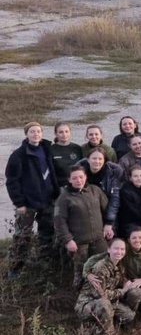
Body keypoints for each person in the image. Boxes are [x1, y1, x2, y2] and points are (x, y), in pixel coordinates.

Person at [5, 122, 61, 277]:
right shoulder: (19, 155)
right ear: (26, 134)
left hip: (47, 200)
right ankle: (16, 268)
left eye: (38, 131)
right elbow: (12, 180)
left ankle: (44, 262)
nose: (36, 134)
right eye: (32, 131)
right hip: (28, 203)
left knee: (46, 232)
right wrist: (19, 203)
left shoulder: (46, 149)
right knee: (23, 235)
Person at [83, 226, 141, 321]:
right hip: (130, 285)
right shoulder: (122, 249)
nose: (137, 240)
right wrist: (87, 274)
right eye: (134, 238)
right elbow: (92, 260)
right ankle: (130, 315)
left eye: (140, 238)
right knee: (135, 293)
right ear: (129, 240)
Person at [55, 165, 112, 287]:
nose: (78, 180)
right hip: (79, 242)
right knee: (80, 271)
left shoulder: (95, 190)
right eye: (74, 178)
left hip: (99, 238)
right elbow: (59, 221)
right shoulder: (64, 197)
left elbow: (108, 210)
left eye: (81, 177)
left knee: (103, 265)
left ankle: (103, 289)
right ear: (69, 180)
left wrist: (109, 225)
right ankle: (79, 294)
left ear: (85, 177)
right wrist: (68, 240)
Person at [75, 238, 136, 335]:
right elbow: (101, 294)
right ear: (109, 250)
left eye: (122, 249)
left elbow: (121, 281)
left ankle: (104, 323)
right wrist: (123, 291)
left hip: (108, 302)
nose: (119, 252)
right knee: (104, 303)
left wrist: (130, 284)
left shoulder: (119, 265)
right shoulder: (100, 268)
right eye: (116, 248)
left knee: (129, 316)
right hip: (89, 304)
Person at [78, 148, 123, 239]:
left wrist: (109, 223)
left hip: (106, 211)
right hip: (84, 213)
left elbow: (114, 199)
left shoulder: (112, 173)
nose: (97, 161)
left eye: (100, 159)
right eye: (94, 158)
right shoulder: (79, 173)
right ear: (88, 159)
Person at [116, 165, 141, 238]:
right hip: (129, 227)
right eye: (135, 176)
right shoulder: (125, 191)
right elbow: (138, 214)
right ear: (130, 178)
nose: (139, 178)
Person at [50, 122, 83, 188]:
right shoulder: (51, 149)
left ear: (70, 132)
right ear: (55, 134)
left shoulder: (78, 148)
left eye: (66, 131)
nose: (64, 134)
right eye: (61, 132)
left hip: (77, 185)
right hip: (59, 187)